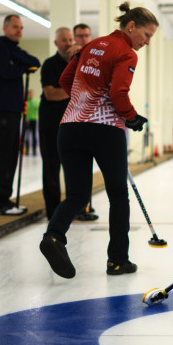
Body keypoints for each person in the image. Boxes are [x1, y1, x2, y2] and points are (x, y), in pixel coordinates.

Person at [38, 2, 158, 278]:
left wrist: (84, 99)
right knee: (118, 196)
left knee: (78, 195)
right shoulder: (126, 53)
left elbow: (66, 79)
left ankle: (54, 236)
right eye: (147, 35)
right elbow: (118, 93)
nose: (147, 42)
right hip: (104, 130)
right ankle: (117, 260)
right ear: (131, 27)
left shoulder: (91, 46)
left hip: (69, 127)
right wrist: (131, 117)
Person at [0, 14, 40, 215]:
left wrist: (18, 63)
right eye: (15, 27)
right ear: (5, 28)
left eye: (21, 27)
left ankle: (6, 198)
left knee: (12, 154)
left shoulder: (14, 50)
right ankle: (1, 201)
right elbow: (6, 72)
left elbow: (35, 61)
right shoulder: (0, 48)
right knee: (5, 155)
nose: (19, 31)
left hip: (14, 110)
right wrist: (22, 66)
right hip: (3, 109)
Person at [39, 27, 76, 220]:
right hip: (51, 124)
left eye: (70, 39)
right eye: (64, 40)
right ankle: (53, 212)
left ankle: (72, 210)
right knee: (52, 167)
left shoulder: (77, 64)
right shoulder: (49, 65)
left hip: (71, 125)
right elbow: (51, 94)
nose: (68, 43)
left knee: (73, 168)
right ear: (56, 43)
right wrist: (75, 89)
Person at [72, 23, 100, 222]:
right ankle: (77, 206)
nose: (83, 39)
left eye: (86, 35)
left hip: (92, 119)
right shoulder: (74, 59)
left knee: (87, 168)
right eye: (79, 36)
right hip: (73, 120)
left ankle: (86, 206)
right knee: (76, 169)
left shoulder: (95, 58)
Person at [24, 90, 39, 155]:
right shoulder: (25, 102)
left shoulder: (35, 101)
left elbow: (39, 109)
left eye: (31, 94)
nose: (30, 95)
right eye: (29, 94)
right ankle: (26, 150)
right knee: (26, 135)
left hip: (34, 120)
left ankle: (34, 150)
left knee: (34, 135)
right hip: (27, 120)